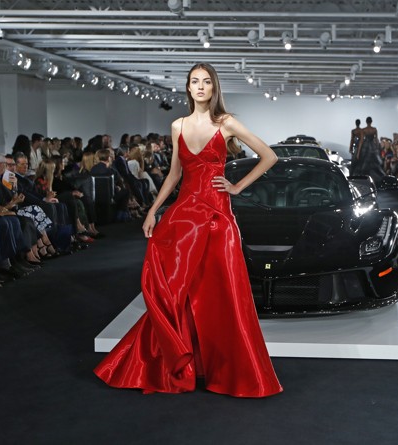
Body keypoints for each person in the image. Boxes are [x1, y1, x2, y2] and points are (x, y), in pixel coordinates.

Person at [94, 62, 282, 398]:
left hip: (218, 219)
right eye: (194, 81)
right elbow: (174, 175)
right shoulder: (177, 125)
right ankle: (184, 363)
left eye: (206, 82)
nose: (199, 87)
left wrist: (237, 187)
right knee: (178, 290)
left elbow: (269, 156)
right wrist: (153, 210)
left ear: (214, 88)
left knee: (223, 294)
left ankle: (227, 369)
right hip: (184, 217)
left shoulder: (226, 123)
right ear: (188, 87)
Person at [351, 116, 384, 184]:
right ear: (371, 122)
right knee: (374, 163)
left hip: (365, 146)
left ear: (366, 122)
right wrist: (377, 148)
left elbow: (361, 141)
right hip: (372, 146)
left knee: (363, 162)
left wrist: (358, 153)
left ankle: (363, 179)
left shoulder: (364, 130)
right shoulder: (374, 129)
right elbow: (376, 139)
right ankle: (376, 180)